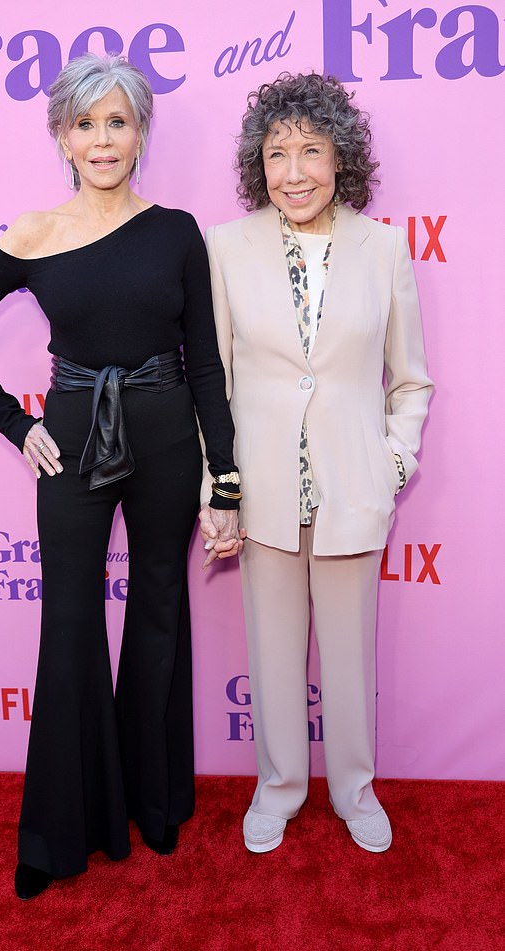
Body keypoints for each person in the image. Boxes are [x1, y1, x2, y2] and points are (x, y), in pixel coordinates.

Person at [0, 53, 241, 900]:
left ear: (141, 132)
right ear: (62, 136)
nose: (103, 140)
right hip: (70, 434)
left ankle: (157, 799)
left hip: (170, 431)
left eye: (119, 122)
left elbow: (206, 365)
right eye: (85, 123)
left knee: (159, 609)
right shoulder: (33, 232)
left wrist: (228, 479)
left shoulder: (178, 231)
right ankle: (59, 829)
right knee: (68, 619)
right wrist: (18, 422)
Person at [200, 73, 432, 854]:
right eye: (276, 153)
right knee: (271, 654)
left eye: (310, 150)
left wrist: (392, 462)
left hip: (352, 486)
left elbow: (411, 378)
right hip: (263, 490)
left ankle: (355, 789)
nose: (292, 170)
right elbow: (216, 380)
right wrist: (220, 485)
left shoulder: (385, 245)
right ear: (256, 164)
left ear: (342, 159)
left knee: (349, 650)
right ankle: (278, 787)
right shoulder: (227, 248)